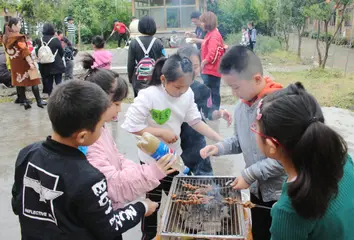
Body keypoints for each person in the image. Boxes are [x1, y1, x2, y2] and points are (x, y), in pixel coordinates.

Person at [11, 80, 158, 239]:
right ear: (82, 136)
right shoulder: (89, 178)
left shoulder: (27, 153)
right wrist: (141, 207)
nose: (103, 130)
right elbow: (109, 227)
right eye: (101, 125)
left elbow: (17, 204)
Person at [122, 53, 223, 240]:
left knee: (182, 198)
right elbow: (131, 125)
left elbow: (194, 120)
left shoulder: (187, 93)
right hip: (151, 160)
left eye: (186, 86)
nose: (182, 91)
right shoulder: (149, 95)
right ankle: (149, 235)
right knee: (153, 200)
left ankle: (182, 232)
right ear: (163, 79)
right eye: (178, 87)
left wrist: (217, 137)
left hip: (174, 157)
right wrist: (160, 133)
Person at [252, 82, 354, 239]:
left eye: (255, 127)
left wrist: (282, 215)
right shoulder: (342, 159)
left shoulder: (289, 211)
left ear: (271, 145)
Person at [200, 45, 286, 240]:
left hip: (281, 194)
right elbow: (239, 141)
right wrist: (219, 147)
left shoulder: (279, 107)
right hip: (256, 189)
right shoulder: (241, 108)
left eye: (236, 87)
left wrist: (248, 174)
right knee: (259, 233)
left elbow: (284, 159)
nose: (233, 93)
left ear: (256, 78)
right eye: (230, 87)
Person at [81, 54, 175, 211]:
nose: (119, 110)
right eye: (116, 104)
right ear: (96, 101)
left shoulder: (100, 128)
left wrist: (141, 171)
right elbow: (112, 186)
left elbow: (116, 158)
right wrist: (152, 172)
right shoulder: (89, 140)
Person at [178, 45, 232, 175]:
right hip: (176, 142)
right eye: (188, 66)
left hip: (196, 142)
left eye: (196, 66)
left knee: (205, 180)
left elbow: (208, 113)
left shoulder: (202, 89)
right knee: (181, 183)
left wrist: (220, 113)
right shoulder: (172, 89)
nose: (192, 71)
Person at [3, 18, 46, 110]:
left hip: (15, 65)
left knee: (20, 82)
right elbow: (24, 50)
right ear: (13, 26)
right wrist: (31, 62)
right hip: (25, 63)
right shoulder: (19, 37)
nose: (20, 27)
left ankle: (24, 101)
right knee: (34, 80)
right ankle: (39, 101)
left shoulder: (6, 38)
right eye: (19, 25)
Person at [127, 16, 165, 98]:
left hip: (138, 78)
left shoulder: (133, 43)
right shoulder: (158, 42)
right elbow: (164, 60)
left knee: (139, 102)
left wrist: (131, 78)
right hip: (154, 79)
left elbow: (130, 63)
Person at [199, 11, 225, 113]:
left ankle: (213, 113)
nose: (201, 24)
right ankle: (210, 112)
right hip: (210, 70)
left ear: (208, 22)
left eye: (202, 21)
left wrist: (203, 63)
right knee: (211, 92)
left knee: (212, 92)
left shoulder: (214, 35)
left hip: (212, 70)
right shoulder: (210, 34)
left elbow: (212, 54)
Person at [38, 23, 65, 96]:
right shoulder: (55, 40)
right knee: (59, 82)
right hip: (56, 64)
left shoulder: (40, 40)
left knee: (49, 83)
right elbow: (62, 52)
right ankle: (61, 97)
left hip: (45, 65)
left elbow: (38, 52)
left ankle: (51, 98)